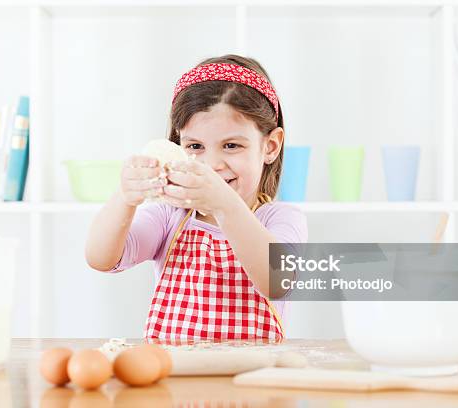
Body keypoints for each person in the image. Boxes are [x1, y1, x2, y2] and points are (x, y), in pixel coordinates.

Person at [86, 54, 307, 342]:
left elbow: (279, 282)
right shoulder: (169, 216)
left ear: (270, 146)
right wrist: (125, 197)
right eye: (195, 146)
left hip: (251, 379)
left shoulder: (281, 218)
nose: (211, 164)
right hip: (175, 377)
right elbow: (100, 258)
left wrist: (224, 204)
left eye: (231, 145)